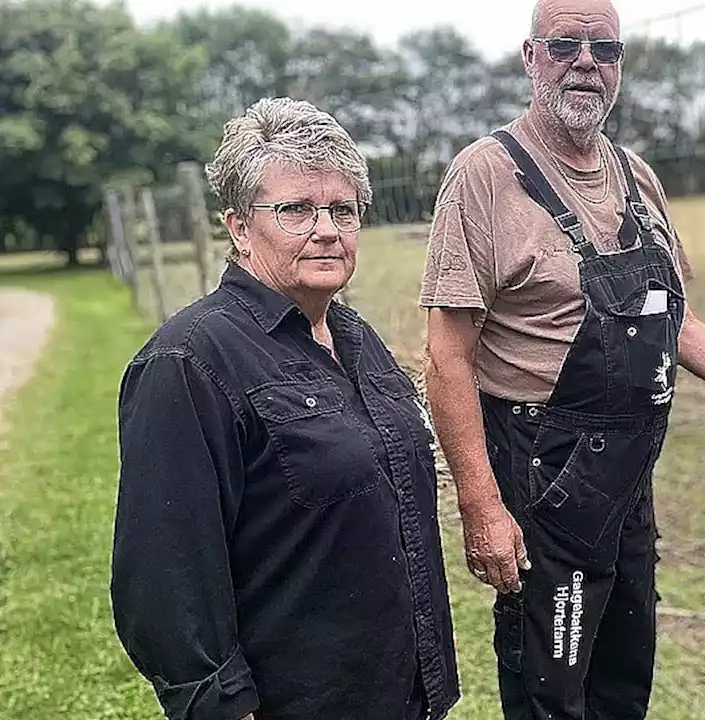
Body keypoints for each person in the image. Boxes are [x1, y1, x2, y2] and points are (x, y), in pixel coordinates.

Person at [418, 0, 705, 717]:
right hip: (541, 475)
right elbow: (445, 355)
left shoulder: (636, 177)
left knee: (624, 676)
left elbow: (673, 321)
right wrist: (482, 507)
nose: (586, 62)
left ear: (621, 65)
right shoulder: (484, 176)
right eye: (566, 44)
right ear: (531, 57)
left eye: (606, 49)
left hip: (625, 478)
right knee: (551, 688)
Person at [111, 97, 460, 720]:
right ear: (239, 227)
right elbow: (164, 581)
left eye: (342, 210)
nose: (326, 228)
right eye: (296, 209)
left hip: (402, 689)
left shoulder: (356, 338)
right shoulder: (188, 364)